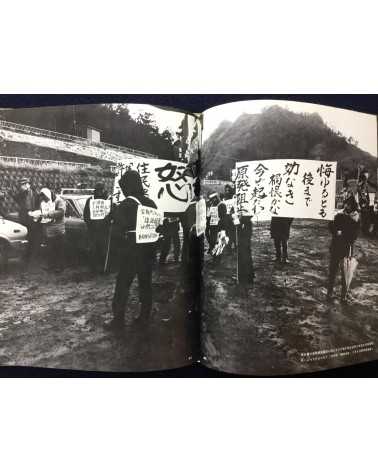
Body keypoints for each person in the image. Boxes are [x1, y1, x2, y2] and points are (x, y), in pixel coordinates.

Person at [109, 170, 159, 331]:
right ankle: (144, 316)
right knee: (145, 285)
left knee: (122, 286)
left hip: (129, 254)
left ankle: (118, 320)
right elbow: (158, 227)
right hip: (147, 253)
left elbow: (116, 233)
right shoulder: (151, 203)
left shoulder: (125, 205)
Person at [327, 195, 360, 302]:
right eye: (346, 204)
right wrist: (336, 231)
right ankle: (329, 292)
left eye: (349, 205)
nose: (347, 206)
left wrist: (344, 233)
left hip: (346, 248)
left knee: (345, 272)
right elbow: (331, 225)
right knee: (332, 271)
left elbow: (354, 235)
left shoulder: (354, 217)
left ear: (353, 206)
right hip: (336, 246)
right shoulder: (338, 214)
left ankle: (343, 295)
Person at [83, 182, 110, 273]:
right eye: (98, 190)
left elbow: (112, 213)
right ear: (95, 190)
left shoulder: (108, 199)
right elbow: (86, 214)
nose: (99, 192)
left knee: (103, 249)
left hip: (104, 230)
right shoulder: (90, 200)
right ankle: (93, 268)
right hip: (93, 230)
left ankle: (103, 268)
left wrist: (107, 222)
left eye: (101, 190)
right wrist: (91, 224)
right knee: (92, 249)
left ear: (104, 190)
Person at [14, 177, 41, 267]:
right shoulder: (20, 194)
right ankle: (25, 257)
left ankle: (32, 258)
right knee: (25, 238)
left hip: (34, 218)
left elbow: (38, 204)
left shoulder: (35, 193)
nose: (23, 186)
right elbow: (17, 199)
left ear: (28, 184)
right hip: (24, 218)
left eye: (24, 184)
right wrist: (23, 192)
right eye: (21, 184)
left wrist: (36, 213)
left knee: (34, 238)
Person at [39, 188, 66, 272]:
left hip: (58, 228)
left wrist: (48, 214)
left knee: (59, 248)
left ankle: (60, 267)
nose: (44, 199)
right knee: (50, 248)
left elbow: (61, 212)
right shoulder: (43, 202)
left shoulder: (59, 201)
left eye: (45, 197)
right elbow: (42, 212)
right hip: (48, 229)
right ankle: (51, 265)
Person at [236, 214, 254, 284]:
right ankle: (247, 276)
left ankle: (246, 277)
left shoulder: (246, 223)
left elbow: (243, 233)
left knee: (245, 259)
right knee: (245, 259)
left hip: (244, 244)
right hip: (244, 245)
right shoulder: (246, 222)